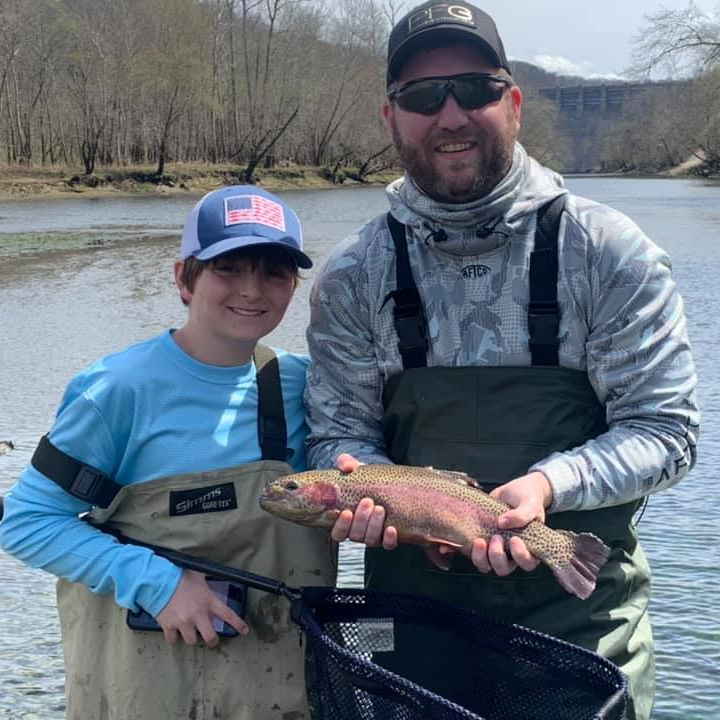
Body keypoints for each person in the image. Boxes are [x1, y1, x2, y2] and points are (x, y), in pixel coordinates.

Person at [304, 3, 700, 719]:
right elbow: (337, 434)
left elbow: (669, 433)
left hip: (581, 624)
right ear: (391, 118)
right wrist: (362, 490)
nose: (450, 115)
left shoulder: (608, 252)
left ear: (513, 102)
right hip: (410, 624)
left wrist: (551, 486)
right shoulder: (352, 275)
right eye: (423, 97)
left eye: (474, 90)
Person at [0, 186, 336, 720]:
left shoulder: (304, 386)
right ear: (183, 278)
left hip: (281, 693)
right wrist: (156, 583)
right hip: (144, 691)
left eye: (275, 272)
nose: (253, 290)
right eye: (229, 268)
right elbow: (27, 523)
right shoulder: (116, 391)